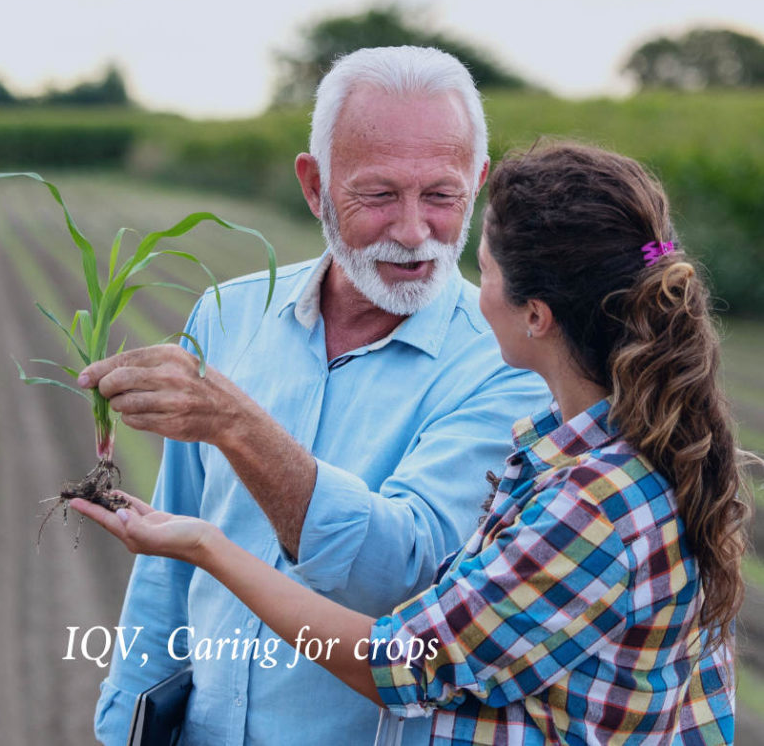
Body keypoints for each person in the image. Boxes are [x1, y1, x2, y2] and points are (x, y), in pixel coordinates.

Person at [77, 141, 748, 745]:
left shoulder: (596, 499)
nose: (462, 286)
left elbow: (407, 664)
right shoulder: (576, 452)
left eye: (481, 270)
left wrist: (209, 545)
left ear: (536, 316)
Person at [81, 47, 550, 745]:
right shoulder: (227, 317)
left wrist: (239, 426)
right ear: (315, 186)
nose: (415, 231)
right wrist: (124, 721)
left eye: (442, 196)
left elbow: (408, 570)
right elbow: (167, 561)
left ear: (477, 184)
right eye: (380, 195)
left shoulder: (506, 365)